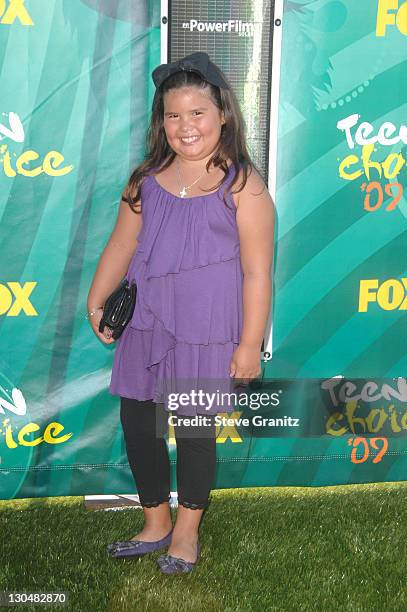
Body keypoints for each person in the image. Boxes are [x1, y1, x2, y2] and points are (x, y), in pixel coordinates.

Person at [87, 51, 275, 574]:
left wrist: (248, 344)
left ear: (223, 116)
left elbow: (258, 274)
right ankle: (155, 521)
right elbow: (121, 245)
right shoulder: (145, 179)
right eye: (173, 115)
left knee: (194, 430)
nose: (185, 125)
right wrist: (96, 300)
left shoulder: (244, 186)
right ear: (160, 122)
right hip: (146, 323)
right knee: (137, 422)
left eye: (197, 113)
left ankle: (187, 530)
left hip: (206, 332)